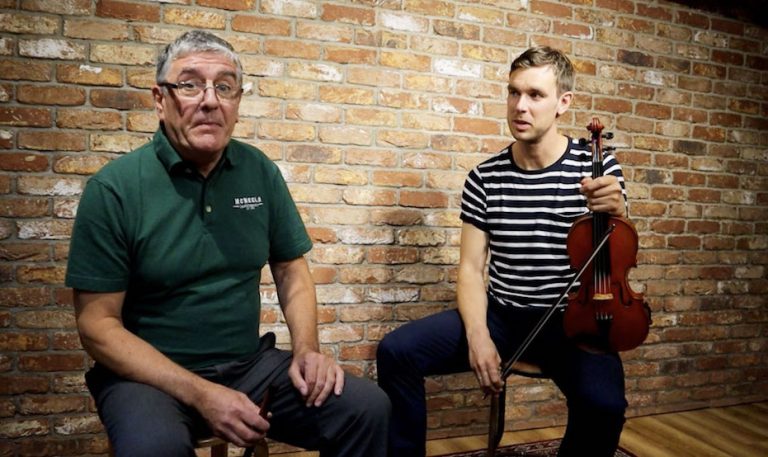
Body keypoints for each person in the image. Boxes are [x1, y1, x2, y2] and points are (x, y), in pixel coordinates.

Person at [66, 30, 390, 457]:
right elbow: (97, 326)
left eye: (225, 86)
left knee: (367, 408)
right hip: (148, 377)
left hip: (247, 366)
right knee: (155, 448)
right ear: (160, 99)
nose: (210, 100)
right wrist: (201, 393)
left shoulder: (258, 171)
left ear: (238, 101)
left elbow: (291, 271)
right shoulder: (115, 189)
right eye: (189, 85)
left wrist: (307, 350)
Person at [377, 46, 629, 457]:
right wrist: (478, 336)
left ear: (563, 102)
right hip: (503, 316)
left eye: (535, 95)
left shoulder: (597, 167)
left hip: (573, 322)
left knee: (605, 406)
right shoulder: (484, 177)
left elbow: (622, 251)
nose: (520, 106)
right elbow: (471, 268)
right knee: (396, 351)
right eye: (514, 92)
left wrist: (618, 211)